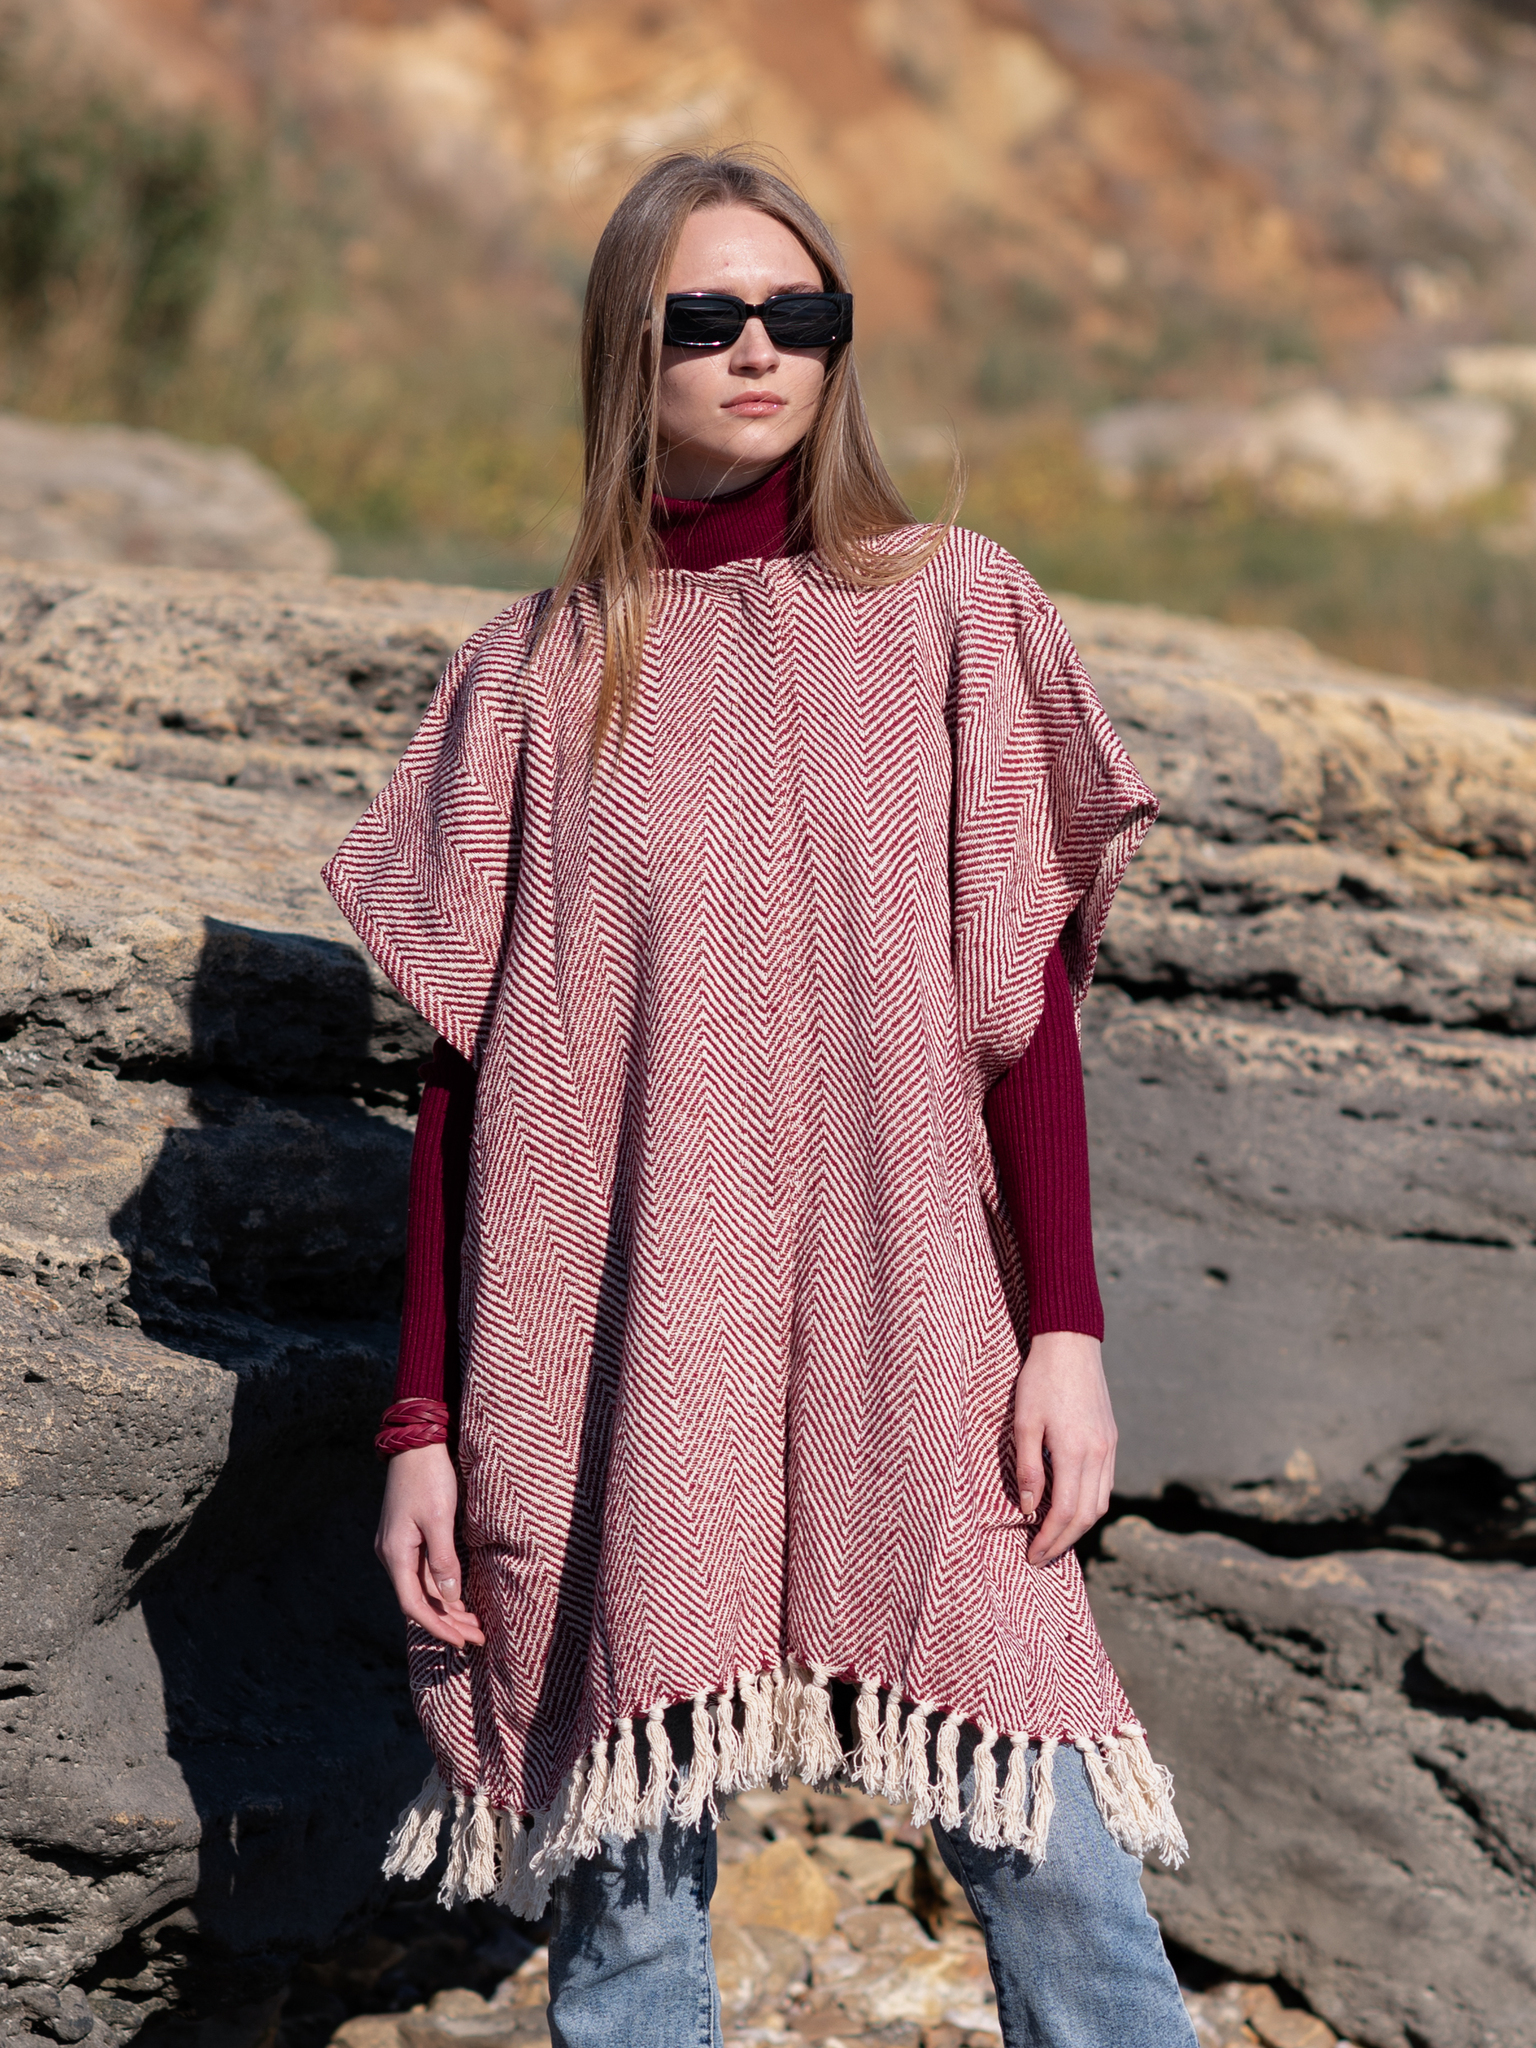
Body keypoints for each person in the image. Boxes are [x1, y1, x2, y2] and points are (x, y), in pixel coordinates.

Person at [324, 149, 1195, 2048]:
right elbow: (463, 1079)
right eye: (705, 317)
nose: (756, 351)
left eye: (799, 315)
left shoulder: (951, 608)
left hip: (913, 1297)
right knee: (629, 1867)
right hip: (612, 1325)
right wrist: (421, 1419)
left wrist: (1065, 1330)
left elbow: (1027, 997)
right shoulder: (532, 673)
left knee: (1047, 1827)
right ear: (622, 349)